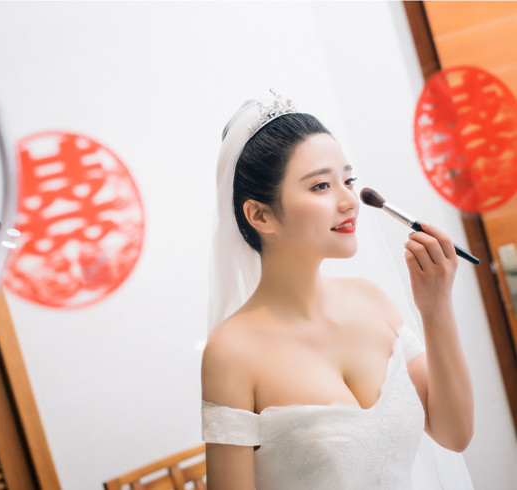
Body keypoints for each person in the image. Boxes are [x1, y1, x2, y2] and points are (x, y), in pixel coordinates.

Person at [201, 91, 474, 489]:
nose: (349, 201)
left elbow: (454, 434)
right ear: (260, 214)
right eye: (320, 186)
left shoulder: (371, 300)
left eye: (348, 181)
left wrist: (436, 307)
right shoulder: (232, 352)